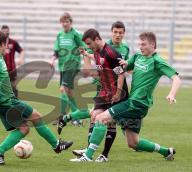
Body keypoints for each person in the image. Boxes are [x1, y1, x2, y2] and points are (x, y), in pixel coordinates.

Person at [70, 31, 181, 162]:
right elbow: (124, 65)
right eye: (140, 44)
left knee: (100, 118)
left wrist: (171, 94)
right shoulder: (138, 56)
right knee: (133, 143)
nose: (140, 47)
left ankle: (88, 156)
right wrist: (122, 63)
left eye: (143, 44)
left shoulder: (157, 61)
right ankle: (166, 152)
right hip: (133, 102)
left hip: (138, 103)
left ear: (152, 44)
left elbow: (176, 78)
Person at [0, 30, 73, 165]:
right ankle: (56, 145)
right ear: (1, 44)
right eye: (6, 44)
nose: (7, 47)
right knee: (36, 116)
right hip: (5, 101)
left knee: (24, 129)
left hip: (6, 100)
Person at [57, 28, 128, 162]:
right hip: (104, 91)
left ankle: (95, 155)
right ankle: (89, 152)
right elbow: (96, 58)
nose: (88, 47)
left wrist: (118, 93)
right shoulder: (97, 51)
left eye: (89, 44)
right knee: (94, 115)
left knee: (106, 122)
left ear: (96, 39)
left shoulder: (111, 53)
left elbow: (121, 74)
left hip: (115, 93)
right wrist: (86, 53)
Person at [50, 12, 86, 125]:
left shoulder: (75, 34)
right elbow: (56, 51)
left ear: (71, 22)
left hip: (72, 65)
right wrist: (52, 60)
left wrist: (85, 59)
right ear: (61, 23)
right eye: (63, 22)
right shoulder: (60, 35)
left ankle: (74, 115)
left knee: (63, 89)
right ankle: (75, 117)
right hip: (63, 66)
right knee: (69, 92)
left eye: (67, 21)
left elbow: (83, 47)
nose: (65, 24)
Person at [1, 25, 24, 97]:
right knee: (2, 88)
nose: (5, 33)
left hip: (12, 69)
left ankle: (16, 103)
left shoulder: (13, 42)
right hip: (2, 70)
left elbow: (21, 51)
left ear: (9, 32)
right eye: (3, 32)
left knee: (14, 88)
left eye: (7, 32)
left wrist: (21, 59)